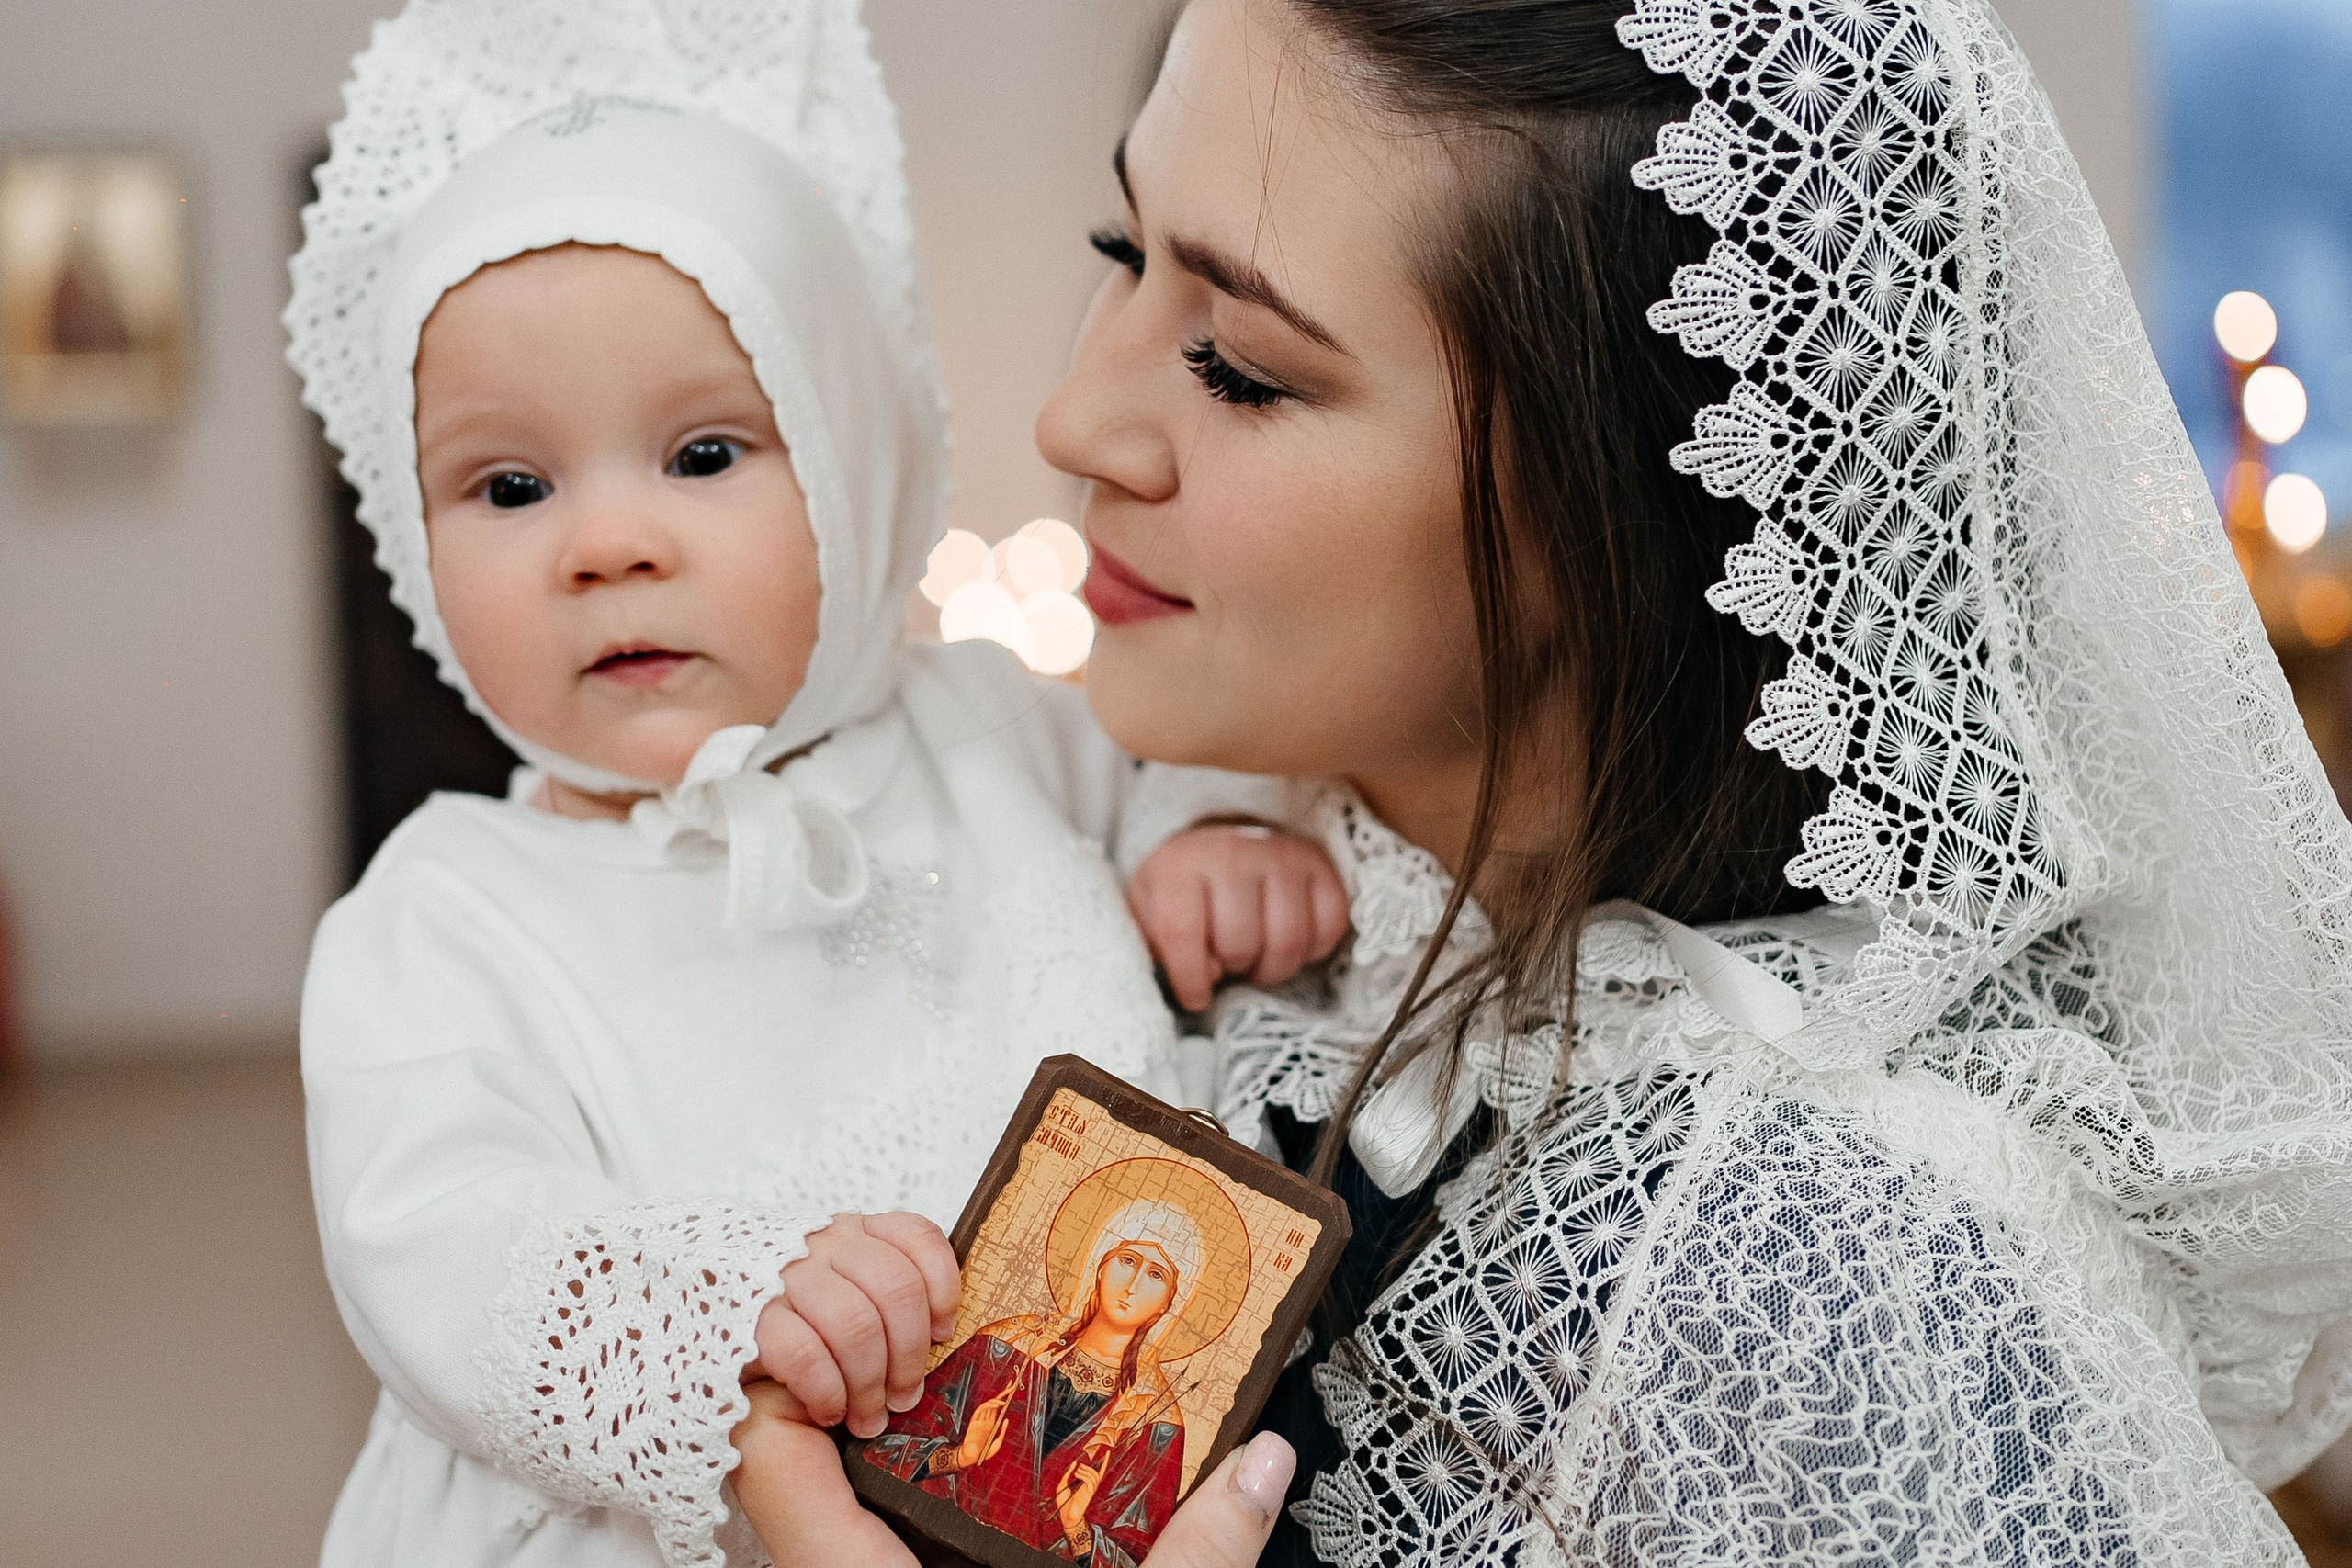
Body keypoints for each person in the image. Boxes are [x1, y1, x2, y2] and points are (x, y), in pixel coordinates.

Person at [1024, 0, 2352, 1561]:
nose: (1076, 417)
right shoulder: (1151, 868)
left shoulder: (1803, 1273)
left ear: (1627, 509)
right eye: (1122, 247)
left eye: (1238, 367)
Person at [281, 4, 1347, 1566]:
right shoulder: (434, 923)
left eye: (704, 454)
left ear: (861, 464)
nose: (607, 544)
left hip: (1044, 1483)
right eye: (510, 486)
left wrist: (1215, 834)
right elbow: (440, 1254)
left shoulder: (989, 719)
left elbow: (1153, 766)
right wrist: (738, 1302)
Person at [864, 1200, 1203, 1562]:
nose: (1133, 1286)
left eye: (1156, 1275)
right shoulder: (1004, 1346)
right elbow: (878, 1452)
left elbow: (1141, 1557)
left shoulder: (1156, 1423)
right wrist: (957, 1457)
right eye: (1127, 1261)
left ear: (1168, 1303)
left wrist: (1077, 1527)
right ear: (1101, 1267)